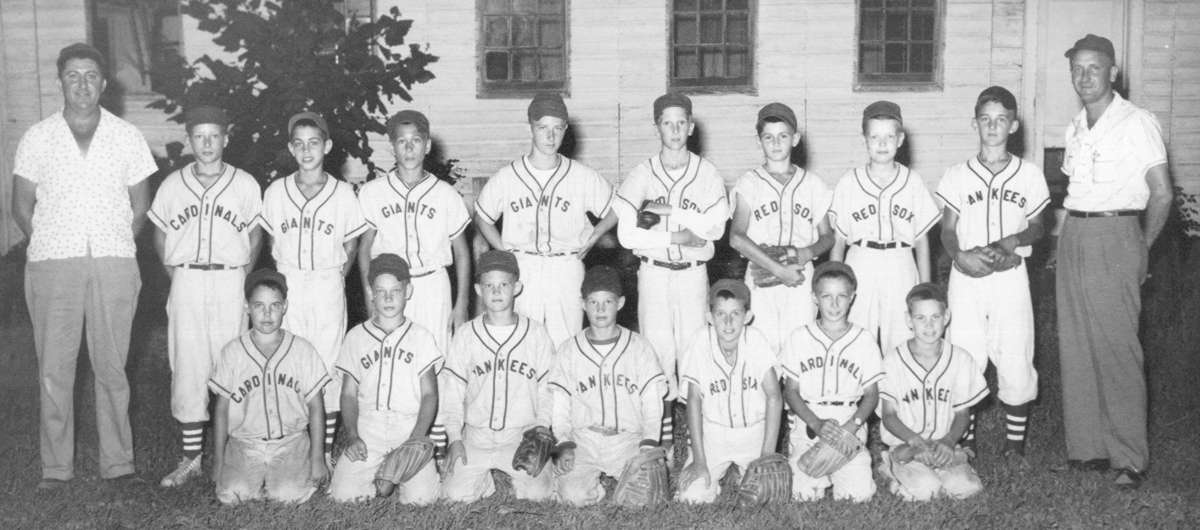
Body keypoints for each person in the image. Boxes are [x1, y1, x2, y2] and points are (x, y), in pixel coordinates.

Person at [11, 43, 158, 489]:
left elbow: (141, 205)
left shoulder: (126, 136)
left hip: (113, 262)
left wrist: (115, 242)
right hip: (53, 264)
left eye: (90, 75)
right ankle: (56, 468)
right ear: (60, 82)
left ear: (104, 83)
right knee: (54, 369)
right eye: (72, 75)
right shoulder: (37, 137)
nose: (82, 84)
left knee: (112, 367)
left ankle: (119, 463)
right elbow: (20, 206)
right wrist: (50, 242)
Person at [1055, 34, 1172, 489]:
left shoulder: (1136, 122)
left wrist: (1141, 246)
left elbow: (1161, 193)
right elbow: (1075, 192)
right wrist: (1062, 244)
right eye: (1077, 69)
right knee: (1077, 343)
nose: (1084, 77)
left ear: (1113, 72)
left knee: (1117, 346)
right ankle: (1088, 449)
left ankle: (1129, 458)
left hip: (1117, 233)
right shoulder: (1075, 127)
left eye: (1094, 68)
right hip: (1076, 233)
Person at [148, 105, 265, 487]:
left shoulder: (244, 183)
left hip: (230, 278)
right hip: (187, 279)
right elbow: (160, 234)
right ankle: (191, 459)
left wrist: (243, 277)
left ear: (226, 139)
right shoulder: (173, 184)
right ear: (189, 140)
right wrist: (177, 274)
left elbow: (255, 235)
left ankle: (237, 454)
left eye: (214, 136)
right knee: (188, 365)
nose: (207, 143)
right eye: (199, 136)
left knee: (234, 364)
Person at [935, 86, 1050, 458]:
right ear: (975, 123)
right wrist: (959, 256)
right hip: (967, 275)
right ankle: (965, 442)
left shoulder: (1028, 174)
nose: (993, 126)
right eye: (985, 119)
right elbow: (948, 229)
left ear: (1014, 125)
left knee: (1016, 351)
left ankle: (1014, 447)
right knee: (965, 353)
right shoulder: (957, 174)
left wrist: (1011, 242)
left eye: (1001, 119)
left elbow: (1039, 226)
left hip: (1009, 275)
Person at [613, 92, 730, 453]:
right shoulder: (642, 174)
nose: (675, 130)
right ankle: (660, 440)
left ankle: (698, 440)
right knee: (658, 352)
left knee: (695, 350)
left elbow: (715, 229)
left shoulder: (706, 173)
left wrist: (669, 212)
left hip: (693, 272)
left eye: (681, 123)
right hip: (655, 272)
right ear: (657, 128)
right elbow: (627, 235)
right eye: (668, 123)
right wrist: (677, 235)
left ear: (691, 127)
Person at [260, 112, 368, 464]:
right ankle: (292, 445)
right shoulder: (277, 191)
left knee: (327, 362)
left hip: (326, 281)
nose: (307, 151)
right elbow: (272, 240)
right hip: (290, 281)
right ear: (291, 148)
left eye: (314, 143)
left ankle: (323, 450)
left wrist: (335, 276)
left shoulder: (343, 193)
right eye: (300, 144)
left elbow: (351, 244)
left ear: (328, 146)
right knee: (289, 358)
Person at [473, 93, 617, 348]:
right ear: (530, 128)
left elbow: (618, 208)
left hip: (566, 266)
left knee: (566, 344)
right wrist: (504, 250)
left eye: (557, 128)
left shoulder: (581, 176)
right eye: (543, 128)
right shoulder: (508, 177)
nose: (550, 137)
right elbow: (482, 217)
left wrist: (595, 235)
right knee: (524, 345)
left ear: (565, 130)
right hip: (524, 266)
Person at [439, 250, 557, 502]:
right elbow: (452, 393)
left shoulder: (536, 333)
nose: (496, 291)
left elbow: (547, 389)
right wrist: (454, 438)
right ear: (478, 290)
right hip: (476, 436)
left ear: (517, 288)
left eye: (503, 284)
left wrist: (541, 428)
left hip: (521, 436)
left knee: (539, 494)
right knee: (453, 495)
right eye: (489, 285)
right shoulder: (466, 334)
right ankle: (482, 481)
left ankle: (521, 479)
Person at [548, 265, 668, 506]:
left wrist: (648, 443)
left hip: (627, 440)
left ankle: (624, 477)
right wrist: (563, 443)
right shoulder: (569, 350)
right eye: (593, 302)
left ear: (620, 303)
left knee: (643, 500)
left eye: (608, 302)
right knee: (572, 497)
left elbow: (652, 404)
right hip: (584, 440)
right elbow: (560, 407)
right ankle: (592, 485)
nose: (600, 309)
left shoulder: (639, 347)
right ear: (583, 304)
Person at [208, 269, 331, 504]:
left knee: (288, 495)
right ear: (247, 307)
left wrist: (318, 458)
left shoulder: (302, 350)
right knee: (233, 495)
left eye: (274, 305)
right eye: (259, 305)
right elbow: (221, 410)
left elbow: (316, 407)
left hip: (291, 441)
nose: (267, 313)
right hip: (245, 443)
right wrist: (219, 461)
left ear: (285, 307)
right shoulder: (232, 352)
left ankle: (285, 478)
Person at [828, 101, 941, 352]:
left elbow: (922, 240)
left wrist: (925, 288)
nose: (882, 144)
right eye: (874, 137)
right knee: (855, 338)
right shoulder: (849, 181)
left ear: (900, 140)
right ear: (865, 140)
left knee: (901, 339)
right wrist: (835, 281)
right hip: (860, 260)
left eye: (889, 137)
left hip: (900, 260)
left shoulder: (912, 181)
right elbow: (838, 241)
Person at [328, 254, 441, 504]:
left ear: (408, 291)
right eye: (381, 291)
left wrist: (416, 438)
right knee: (343, 496)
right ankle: (384, 478)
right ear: (371, 293)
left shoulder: (421, 337)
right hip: (369, 427)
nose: (388, 298)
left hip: (408, 425)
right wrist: (353, 435)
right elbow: (348, 394)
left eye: (395, 291)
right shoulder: (356, 337)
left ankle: (393, 474)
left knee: (422, 499)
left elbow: (430, 394)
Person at [357, 110, 470, 352]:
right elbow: (364, 249)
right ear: (392, 148)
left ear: (427, 146)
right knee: (393, 355)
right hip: (390, 287)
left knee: (436, 354)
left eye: (416, 141)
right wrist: (369, 295)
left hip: (433, 286)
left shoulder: (445, 194)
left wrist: (462, 302)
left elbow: (462, 253)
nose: (409, 149)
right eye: (402, 141)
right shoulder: (373, 192)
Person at [730, 102, 834, 351]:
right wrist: (777, 269)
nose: (776, 143)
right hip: (760, 269)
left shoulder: (812, 184)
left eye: (783, 136)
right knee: (761, 350)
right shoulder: (749, 182)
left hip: (800, 272)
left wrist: (807, 252)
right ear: (759, 141)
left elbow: (828, 237)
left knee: (800, 349)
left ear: (795, 139)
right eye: (769, 137)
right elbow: (736, 237)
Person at [778, 262, 881, 502]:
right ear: (814, 298)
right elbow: (790, 391)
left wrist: (852, 426)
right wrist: (815, 423)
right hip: (809, 421)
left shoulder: (864, 339)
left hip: (849, 421)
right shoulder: (799, 337)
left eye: (841, 296)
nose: (834, 304)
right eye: (826, 296)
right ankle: (812, 474)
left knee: (858, 496)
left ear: (852, 298)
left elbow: (872, 394)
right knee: (802, 494)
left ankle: (850, 469)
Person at [877, 283, 987, 501]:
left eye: (935, 317)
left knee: (967, 488)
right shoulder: (893, 361)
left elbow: (963, 414)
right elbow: (888, 416)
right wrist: (915, 443)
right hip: (907, 445)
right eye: (920, 318)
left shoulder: (961, 359)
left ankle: (946, 470)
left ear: (946, 317)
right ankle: (890, 466)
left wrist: (949, 441)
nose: (929, 325)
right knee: (927, 490)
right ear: (909, 320)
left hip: (943, 444)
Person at [676, 280, 782, 504]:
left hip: (753, 433)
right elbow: (693, 401)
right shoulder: (700, 341)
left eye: (735, 313)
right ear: (709, 317)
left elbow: (774, 396)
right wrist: (699, 460)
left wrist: (767, 455)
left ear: (748, 316)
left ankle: (743, 472)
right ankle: (718, 475)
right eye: (720, 314)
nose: (728, 322)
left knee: (765, 498)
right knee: (691, 497)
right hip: (714, 434)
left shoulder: (756, 340)